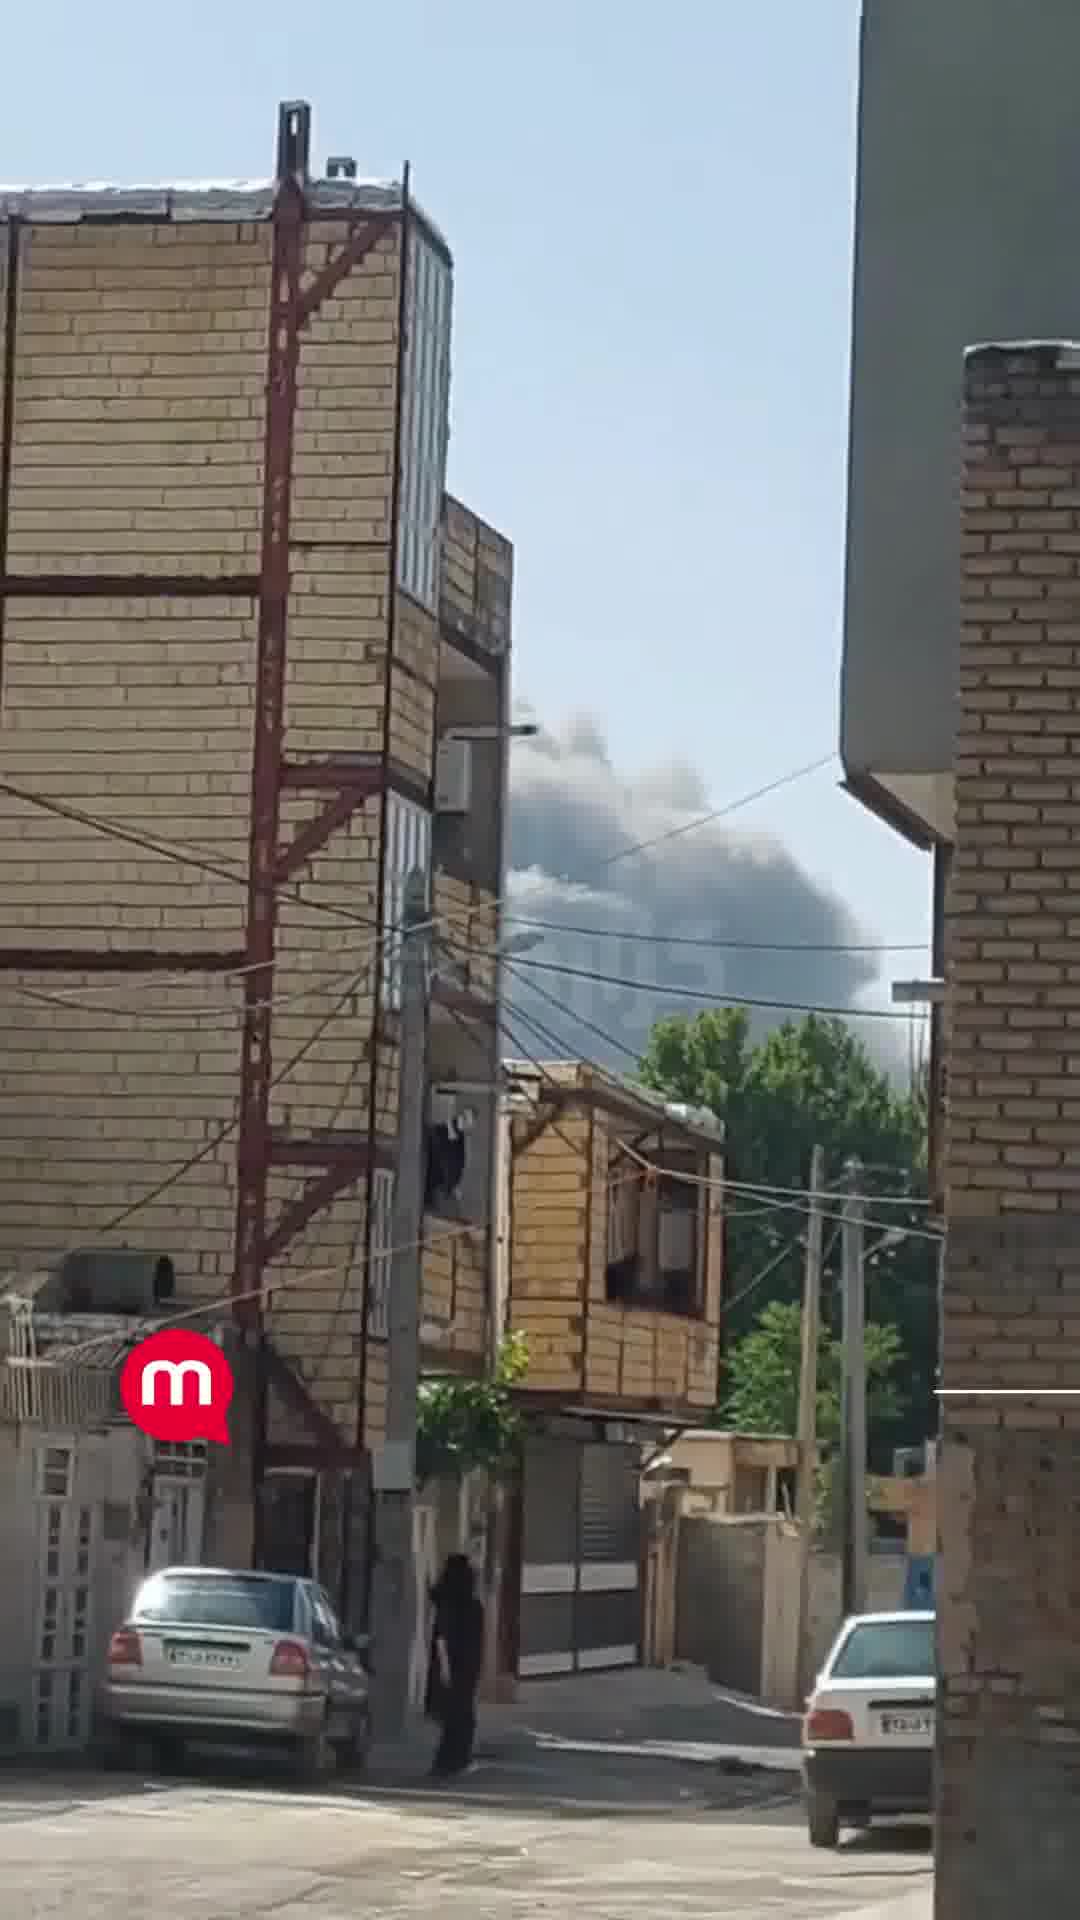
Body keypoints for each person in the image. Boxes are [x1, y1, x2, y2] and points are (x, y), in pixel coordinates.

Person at [427, 1553, 484, 1778]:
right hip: (459, 1668)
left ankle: (451, 1760)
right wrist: (446, 1669)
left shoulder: (449, 1602)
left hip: (455, 1667)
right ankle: (453, 1761)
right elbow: (444, 1638)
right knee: (460, 1716)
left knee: (456, 1716)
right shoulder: (463, 1605)